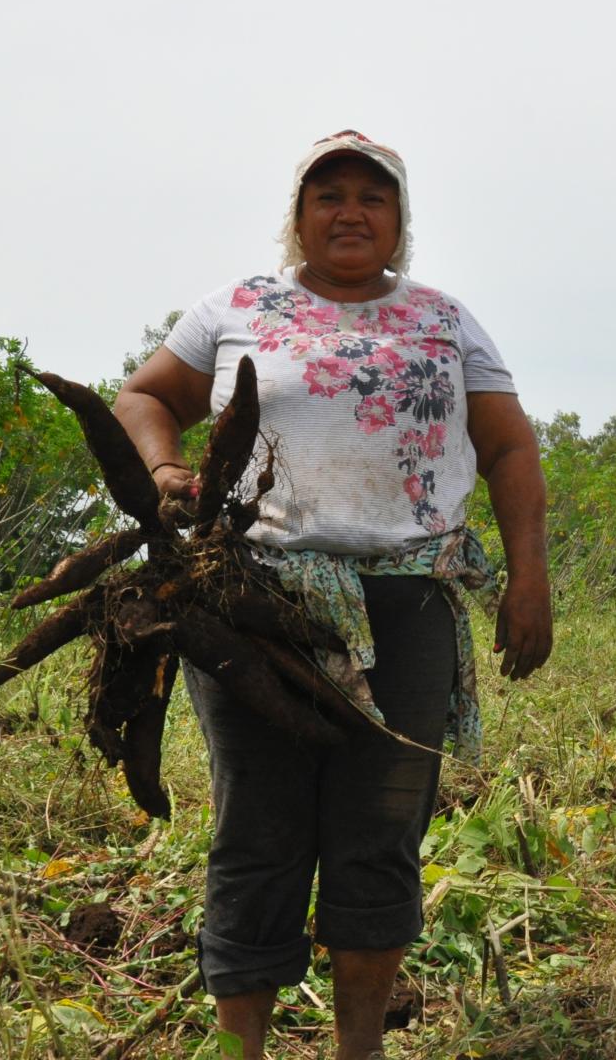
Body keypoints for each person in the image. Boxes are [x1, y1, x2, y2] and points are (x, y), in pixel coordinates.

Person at [115, 129, 553, 1059]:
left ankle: (360, 1049)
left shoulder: (445, 318)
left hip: (409, 600)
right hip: (253, 602)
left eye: (372, 197)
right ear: (299, 215)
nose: (350, 211)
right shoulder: (240, 308)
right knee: (258, 831)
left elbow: (511, 447)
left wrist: (530, 578)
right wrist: (163, 467)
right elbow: (144, 398)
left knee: (381, 832)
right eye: (329, 195)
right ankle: (244, 1051)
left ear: (399, 221)